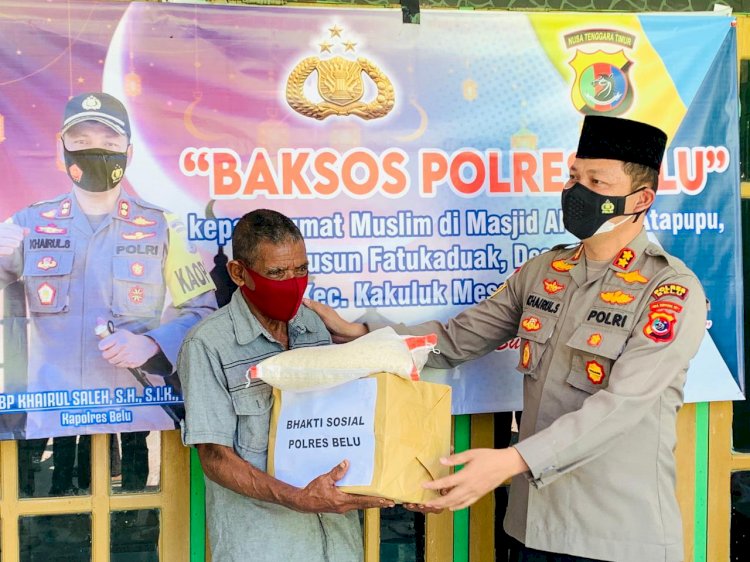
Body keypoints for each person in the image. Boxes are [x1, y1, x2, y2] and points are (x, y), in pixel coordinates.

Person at [306, 115, 707, 562]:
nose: (579, 191)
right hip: (531, 526)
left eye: (597, 180)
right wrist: (362, 334)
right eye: (575, 176)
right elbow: (457, 339)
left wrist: (510, 462)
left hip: (614, 535)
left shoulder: (670, 291)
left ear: (642, 199)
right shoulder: (544, 272)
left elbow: (621, 407)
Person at [0, 92, 217, 494]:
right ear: (60, 149)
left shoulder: (162, 226)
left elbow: (204, 313)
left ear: (129, 153)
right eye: (81, 142)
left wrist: (151, 343)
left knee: (138, 529)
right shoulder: (25, 224)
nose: (95, 151)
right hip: (50, 419)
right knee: (50, 537)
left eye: (109, 143)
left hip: (134, 416)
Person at [177, 209, 395, 562]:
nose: (292, 282)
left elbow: (342, 423)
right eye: (276, 273)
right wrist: (297, 498)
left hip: (338, 543)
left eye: (301, 270)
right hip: (265, 545)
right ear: (238, 273)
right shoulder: (208, 343)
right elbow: (214, 457)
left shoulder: (313, 326)